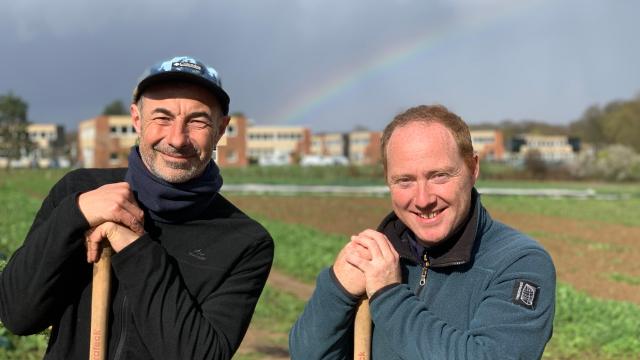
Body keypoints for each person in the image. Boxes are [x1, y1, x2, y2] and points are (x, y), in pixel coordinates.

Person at [0, 56, 274, 359]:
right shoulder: (78, 190)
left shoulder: (245, 242)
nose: (177, 139)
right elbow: (18, 315)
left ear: (220, 130)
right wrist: (73, 215)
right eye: (162, 117)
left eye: (197, 121)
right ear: (136, 120)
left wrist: (135, 248)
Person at [289, 105, 555, 359]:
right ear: (387, 179)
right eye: (405, 180)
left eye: (439, 175)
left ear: (473, 169)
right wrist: (336, 290)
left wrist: (389, 296)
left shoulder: (519, 263)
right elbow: (307, 355)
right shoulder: (378, 259)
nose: (423, 199)